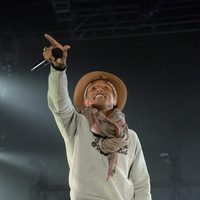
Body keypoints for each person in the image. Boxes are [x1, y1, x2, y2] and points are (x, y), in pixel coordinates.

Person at [43, 33, 152, 200]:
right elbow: (59, 105)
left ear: (115, 100)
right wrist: (58, 69)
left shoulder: (131, 137)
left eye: (106, 88)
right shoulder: (76, 125)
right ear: (85, 102)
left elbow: (141, 182)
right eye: (93, 88)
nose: (99, 89)